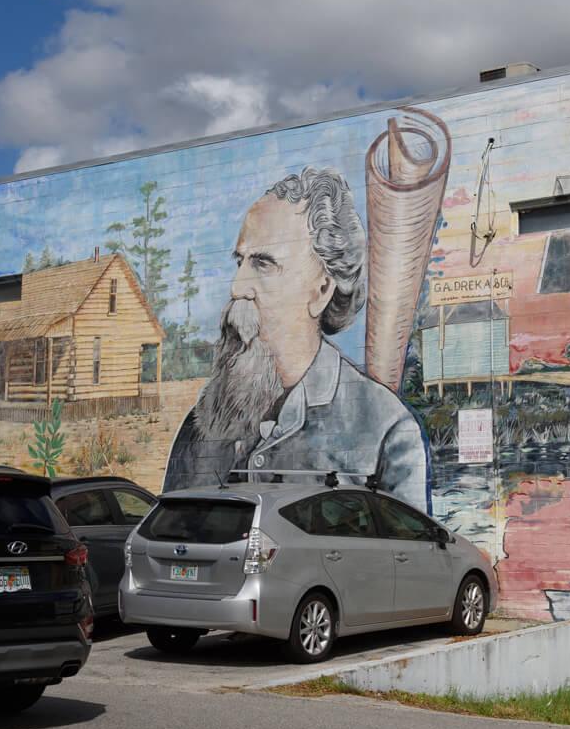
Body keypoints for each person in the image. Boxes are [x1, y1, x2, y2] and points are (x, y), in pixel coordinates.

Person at [163, 166, 429, 510]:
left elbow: (408, 543)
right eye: (240, 262)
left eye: (263, 264)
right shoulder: (201, 425)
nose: (237, 288)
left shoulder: (386, 430)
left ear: (321, 290)